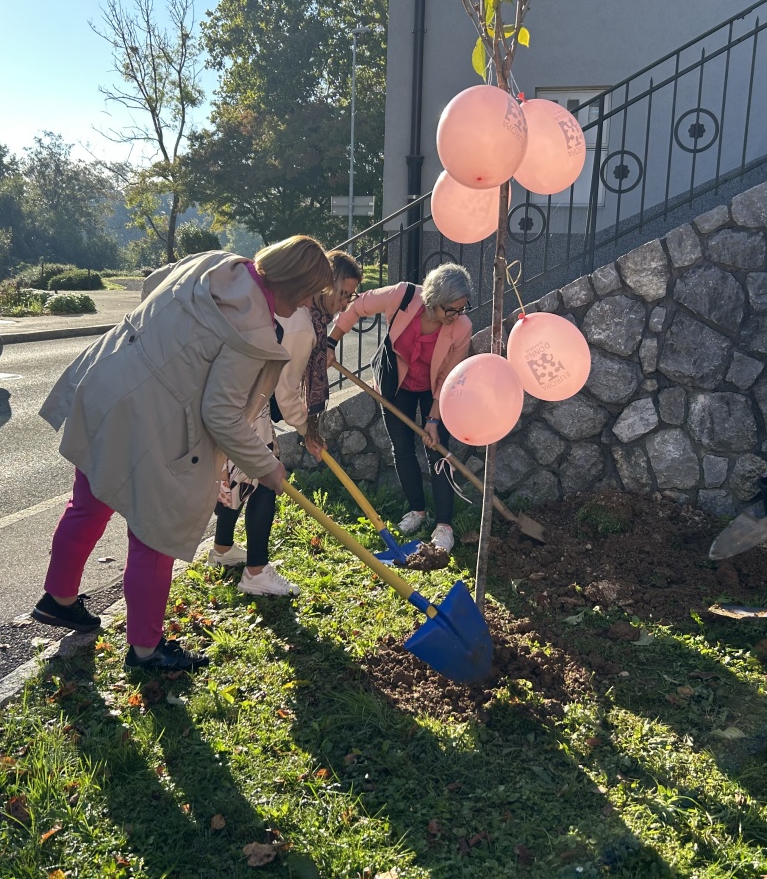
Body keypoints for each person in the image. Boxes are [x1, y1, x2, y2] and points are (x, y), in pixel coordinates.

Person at [31, 237, 333, 672]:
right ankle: (146, 649)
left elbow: (154, 283)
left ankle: (59, 599)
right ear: (293, 283)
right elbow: (222, 414)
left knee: (90, 499)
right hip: (153, 417)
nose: (308, 302)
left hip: (109, 381)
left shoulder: (218, 264)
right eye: (308, 292)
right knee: (155, 534)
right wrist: (266, 467)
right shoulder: (253, 330)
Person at [207, 251, 362, 593]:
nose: (344, 302)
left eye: (351, 296)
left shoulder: (304, 317)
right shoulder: (303, 325)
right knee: (266, 479)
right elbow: (286, 390)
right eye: (341, 293)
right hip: (250, 405)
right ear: (320, 286)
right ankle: (256, 572)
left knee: (237, 479)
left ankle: (221, 549)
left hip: (237, 400)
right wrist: (307, 430)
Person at [326, 263, 473, 552]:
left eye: (462, 309)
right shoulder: (402, 295)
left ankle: (444, 525)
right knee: (402, 446)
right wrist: (331, 342)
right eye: (451, 310)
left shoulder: (461, 328)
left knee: (437, 448)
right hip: (397, 382)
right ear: (432, 301)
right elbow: (356, 308)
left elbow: (448, 378)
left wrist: (433, 418)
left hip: (434, 388)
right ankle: (417, 511)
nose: (457, 316)